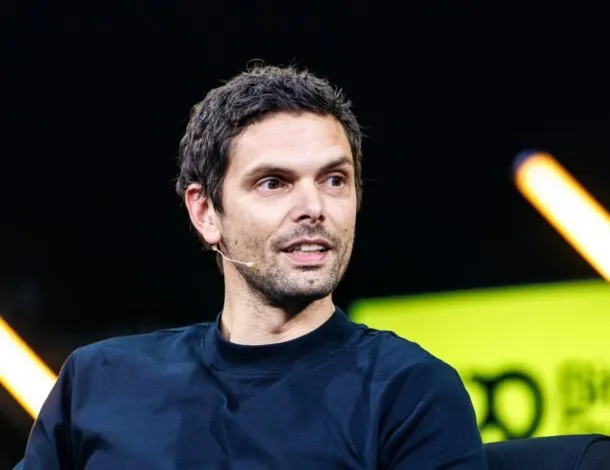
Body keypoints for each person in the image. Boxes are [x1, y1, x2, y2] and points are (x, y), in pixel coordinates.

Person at [15, 63, 488, 469]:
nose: (314, 207)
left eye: (334, 179)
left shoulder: (411, 394)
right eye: (273, 183)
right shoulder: (99, 380)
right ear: (205, 213)